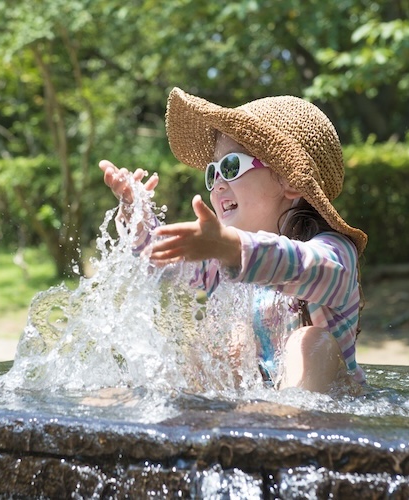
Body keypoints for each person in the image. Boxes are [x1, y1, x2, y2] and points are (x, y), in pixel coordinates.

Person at [99, 87, 368, 394]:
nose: (217, 185)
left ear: (290, 180)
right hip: (249, 408)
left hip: (322, 414)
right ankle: (192, 419)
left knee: (310, 342)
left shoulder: (335, 251)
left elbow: (308, 266)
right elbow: (164, 265)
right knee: (216, 338)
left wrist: (233, 249)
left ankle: (290, 429)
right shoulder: (222, 261)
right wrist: (139, 218)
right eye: (212, 173)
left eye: (230, 167)